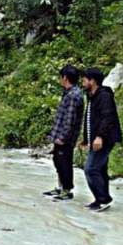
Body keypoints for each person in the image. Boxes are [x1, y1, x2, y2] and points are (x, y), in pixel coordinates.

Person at [80, 68, 123, 212]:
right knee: (100, 169)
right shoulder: (91, 95)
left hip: (105, 138)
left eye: (85, 79)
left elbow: (107, 117)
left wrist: (99, 137)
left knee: (90, 169)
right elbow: (90, 118)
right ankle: (101, 199)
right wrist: (86, 138)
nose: (83, 82)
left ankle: (103, 199)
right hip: (96, 138)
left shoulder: (104, 96)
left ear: (92, 81)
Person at [43, 65, 85, 201]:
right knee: (58, 160)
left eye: (61, 77)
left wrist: (62, 137)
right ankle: (61, 187)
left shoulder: (73, 95)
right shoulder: (69, 92)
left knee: (64, 162)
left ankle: (67, 190)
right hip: (61, 136)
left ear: (65, 78)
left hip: (65, 138)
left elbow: (70, 119)